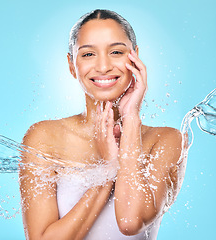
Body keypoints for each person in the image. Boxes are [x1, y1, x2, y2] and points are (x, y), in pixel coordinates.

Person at [19, 9, 185, 240]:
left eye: (116, 51)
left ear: (135, 57)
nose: (103, 66)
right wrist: (107, 172)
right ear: (71, 64)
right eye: (88, 54)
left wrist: (131, 120)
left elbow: (130, 222)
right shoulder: (44, 137)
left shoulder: (166, 141)